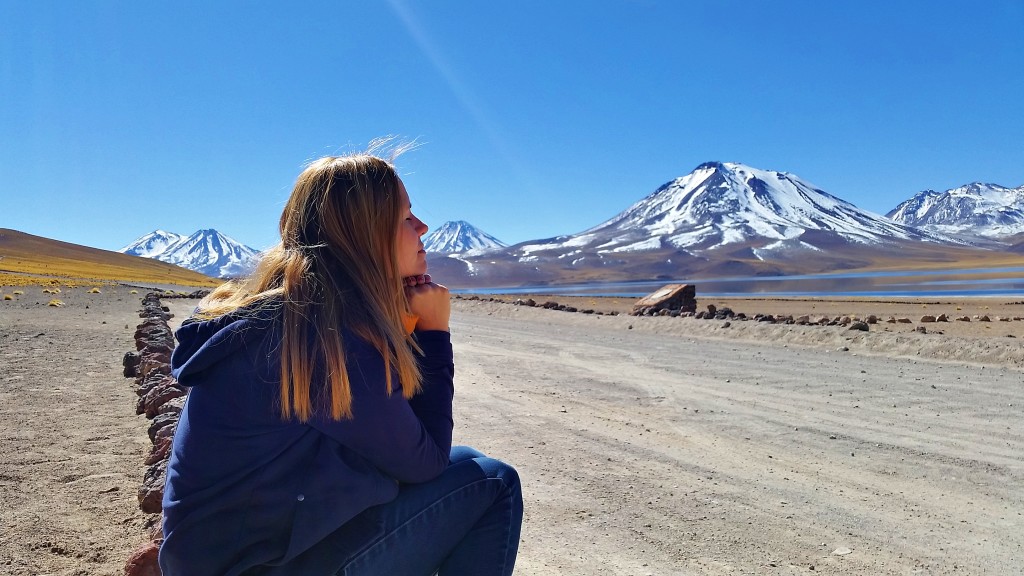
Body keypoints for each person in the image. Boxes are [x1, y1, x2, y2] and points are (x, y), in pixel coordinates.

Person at [159, 148, 523, 576]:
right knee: (495, 482)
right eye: (406, 217)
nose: (423, 227)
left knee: (470, 464)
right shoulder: (321, 338)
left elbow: (399, 438)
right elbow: (423, 461)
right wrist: (434, 334)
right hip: (252, 565)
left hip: (230, 553)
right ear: (365, 234)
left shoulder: (296, 313)